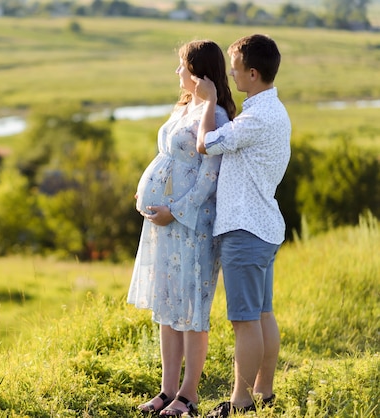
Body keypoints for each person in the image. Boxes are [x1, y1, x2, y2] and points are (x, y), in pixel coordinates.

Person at [127, 40, 236, 417]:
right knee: (168, 306)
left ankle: (188, 396)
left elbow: (210, 178)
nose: (177, 73)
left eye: (181, 66)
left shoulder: (216, 116)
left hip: (192, 225)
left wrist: (174, 211)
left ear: (199, 71)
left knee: (191, 310)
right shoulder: (184, 107)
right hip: (166, 224)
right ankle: (166, 389)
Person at [193, 34, 291, 418]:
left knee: (244, 321)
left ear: (252, 73)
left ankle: (241, 402)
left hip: (245, 230)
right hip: (262, 227)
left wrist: (210, 102)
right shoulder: (273, 110)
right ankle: (263, 393)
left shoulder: (256, 118)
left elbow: (206, 144)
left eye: (235, 69)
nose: (230, 73)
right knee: (263, 314)